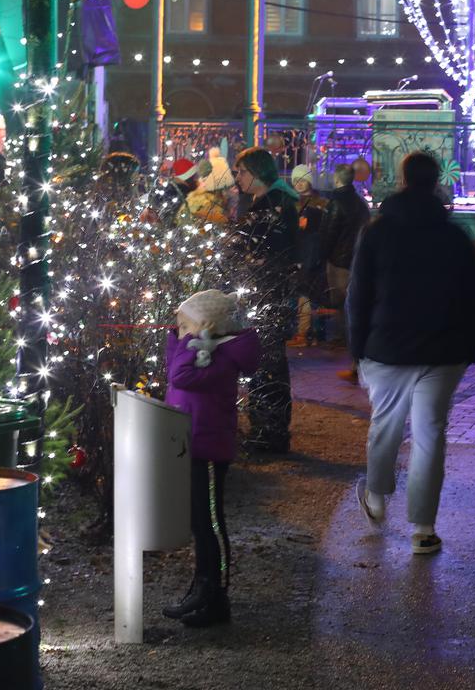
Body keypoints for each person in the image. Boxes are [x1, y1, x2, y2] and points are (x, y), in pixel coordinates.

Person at [346, 152, 475, 556]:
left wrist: (356, 348)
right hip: (443, 351)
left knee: (385, 425)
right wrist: (471, 345)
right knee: (430, 436)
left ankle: (376, 498)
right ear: (437, 181)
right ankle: (423, 527)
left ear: (403, 178)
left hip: (386, 347)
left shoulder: (377, 231)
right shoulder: (455, 236)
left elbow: (359, 295)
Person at [162, 290, 262, 627]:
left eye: (184, 324)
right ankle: (204, 588)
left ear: (205, 326)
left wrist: (188, 342)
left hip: (206, 447)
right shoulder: (203, 350)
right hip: (191, 442)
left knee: (210, 523)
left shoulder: (220, 357)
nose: (179, 329)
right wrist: (178, 339)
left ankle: (214, 591)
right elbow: (171, 370)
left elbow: (180, 377)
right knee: (198, 521)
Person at [232, 146, 299, 453]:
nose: (237, 178)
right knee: (266, 361)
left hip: (268, 295)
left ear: (257, 172)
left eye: (241, 172)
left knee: (267, 362)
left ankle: (269, 432)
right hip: (269, 295)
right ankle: (268, 428)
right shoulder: (269, 202)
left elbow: (256, 249)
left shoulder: (271, 207)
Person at [319, 164, 369, 348]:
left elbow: (329, 232)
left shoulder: (335, 202)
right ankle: (350, 336)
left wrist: (322, 255)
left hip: (338, 260)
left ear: (336, 179)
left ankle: (342, 338)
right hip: (356, 258)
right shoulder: (360, 203)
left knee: (340, 301)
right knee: (353, 300)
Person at [286, 165, 328, 349]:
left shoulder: (318, 204)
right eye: (295, 181)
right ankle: (309, 333)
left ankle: (306, 333)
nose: (299, 184)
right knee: (304, 294)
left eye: (302, 180)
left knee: (307, 293)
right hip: (301, 253)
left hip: (311, 254)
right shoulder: (293, 202)